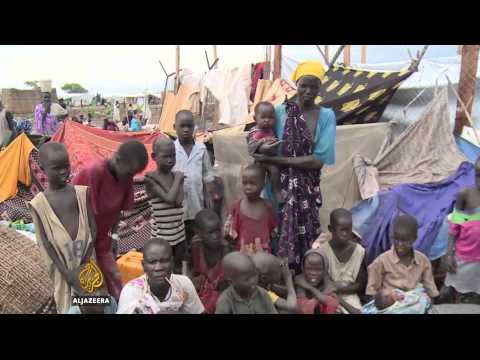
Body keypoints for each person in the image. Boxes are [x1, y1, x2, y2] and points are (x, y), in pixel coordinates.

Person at [253, 61, 336, 274]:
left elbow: (318, 160)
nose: (308, 91)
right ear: (296, 83)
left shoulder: (326, 116)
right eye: (303, 85)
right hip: (278, 188)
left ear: (320, 88)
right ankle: (277, 278)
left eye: (314, 86)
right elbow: (259, 136)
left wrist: (279, 162)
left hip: (306, 190)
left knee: (305, 234)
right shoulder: (280, 112)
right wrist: (261, 149)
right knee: (277, 232)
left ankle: (303, 278)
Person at [72, 140, 148, 301]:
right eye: (130, 173)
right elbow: (84, 214)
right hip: (81, 238)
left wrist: (113, 237)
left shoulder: (125, 177)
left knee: (115, 277)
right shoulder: (95, 172)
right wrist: (90, 252)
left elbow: (119, 211)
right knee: (94, 287)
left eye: (134, 174)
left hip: (101, 238)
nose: (131, 178)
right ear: (118, 160)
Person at [29, 142, 97, 313]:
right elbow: (45, 242)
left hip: (87, 262)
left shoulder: (81, 194)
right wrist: (67, 273)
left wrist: (84, 262)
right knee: (67, 306)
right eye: (56, 168)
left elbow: (93, 228)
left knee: (95, 301)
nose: (63, 172)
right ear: (43, 169)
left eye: (66, 166)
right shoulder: (39, 205)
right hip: (62, 269)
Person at [117, 238, 205, 314]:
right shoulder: (131, 291)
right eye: (152, 262)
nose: (158, 268)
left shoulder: (184, 284)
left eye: (164, 261)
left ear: (172, 262)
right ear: (144, 266)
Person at [366, 214, 439, 300]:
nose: (400, 244)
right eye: (396, 239)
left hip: (414, 303)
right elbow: (372, 291)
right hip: (391, 304)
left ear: (414, 239)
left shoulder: (423, 261)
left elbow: (430, 289)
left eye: (405, 240)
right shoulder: (381, 261)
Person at [173, 110, 215, 253]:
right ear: (174, 127)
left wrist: (209, 195)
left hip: (198, 201)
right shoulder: (171, 149)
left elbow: (208, 174)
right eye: (182, 126)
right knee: (180, 238)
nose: (186, 129)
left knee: (197, 235)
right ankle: (183, 262)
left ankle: (196, 263)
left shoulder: (201, 148)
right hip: (178, 205)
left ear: (194, 127)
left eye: (189, 126)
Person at [144, 136, 186, 273]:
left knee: (178, 266)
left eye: (173, 156)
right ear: (154, 157)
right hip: (161, 237)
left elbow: (178, 201)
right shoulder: (150, 179)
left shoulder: (175, 177)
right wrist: (179, 179)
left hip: (179, 233)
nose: (170, 160)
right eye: (165, 156)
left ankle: (178, 292)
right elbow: (169, 198)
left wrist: (177, 179)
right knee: (163, 269)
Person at [441, 157, 480, 303]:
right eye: (477, 175)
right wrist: (449, 254)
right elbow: (454, 226)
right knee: (450, 291)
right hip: (462, 257)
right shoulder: (464, 194)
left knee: (474, 296)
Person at [317, 209, 367, 312]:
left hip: (350, 296)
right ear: (330, 229)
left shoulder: (359, 252)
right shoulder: (322, 252)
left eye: (348, 230)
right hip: (327, 295)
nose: (345, 234)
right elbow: (323, 285)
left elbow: (360, 284)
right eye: (341, 230)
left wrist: (337, 289)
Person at [224, 163, 278, 254]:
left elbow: (274, 233)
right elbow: (231, 236)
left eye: (252, 183)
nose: (248, 187)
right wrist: (228, 236)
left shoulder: (268, 206)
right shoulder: (236, 207)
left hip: (263, 255)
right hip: (242, 256)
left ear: (263, 184)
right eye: (245, 183)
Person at [190, 209, 230, 313]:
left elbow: (228, 284)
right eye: (210, 232)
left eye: (218, 230)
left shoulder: (226, 249)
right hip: (201, 292)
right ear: (198, 233)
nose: (216, 236)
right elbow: (193, 271)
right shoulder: (196, 245)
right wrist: (192, 280)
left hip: (222, 295)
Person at [247, 102, 284, 207]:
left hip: (270, 159)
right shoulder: (255, 132)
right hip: (260, 161)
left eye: (270, 117)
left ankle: (276, 192)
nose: (267, 120)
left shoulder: (270, 130)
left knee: (275, 171)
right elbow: (251, 147)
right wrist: (262, 142)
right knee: (259, 178)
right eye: (263, 117)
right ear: (255, 118)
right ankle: (259, 198)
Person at [294, 249, 342, 314]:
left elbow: (333, 304)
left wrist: (310, 288)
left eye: (318, 269)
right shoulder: (300, 279)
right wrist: (322, 296)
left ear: (325, 269)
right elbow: (304, 309)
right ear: (303, 268)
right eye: (308, 268)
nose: (313, 273)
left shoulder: (326, 280)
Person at [362, 286, 432, 314]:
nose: (396, 292)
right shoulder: (399, 309)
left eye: (394, 291)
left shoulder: (395, 297)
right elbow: (417, 306)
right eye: (395, 294)